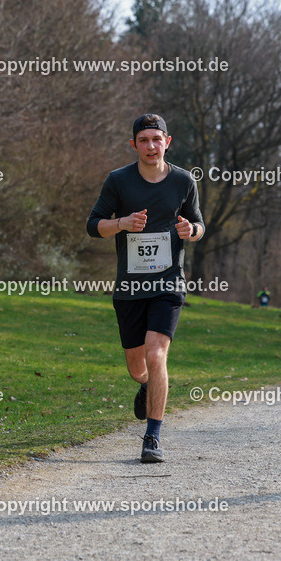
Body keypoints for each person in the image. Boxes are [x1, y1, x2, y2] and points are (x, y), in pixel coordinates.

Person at [87, 114, 205, 464]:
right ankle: (145, 385)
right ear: (134, 145)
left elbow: (199, 223)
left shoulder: (184, 181)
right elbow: (94, 226)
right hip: (129, 287)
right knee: (137, 367)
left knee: (157, 355)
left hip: (168, 283)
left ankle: (152, 436)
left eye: (157, 139)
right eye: (144, 140)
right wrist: (122, 223)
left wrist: (192, 232)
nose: (151, 146)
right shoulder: (118, 181)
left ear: (167, 142)